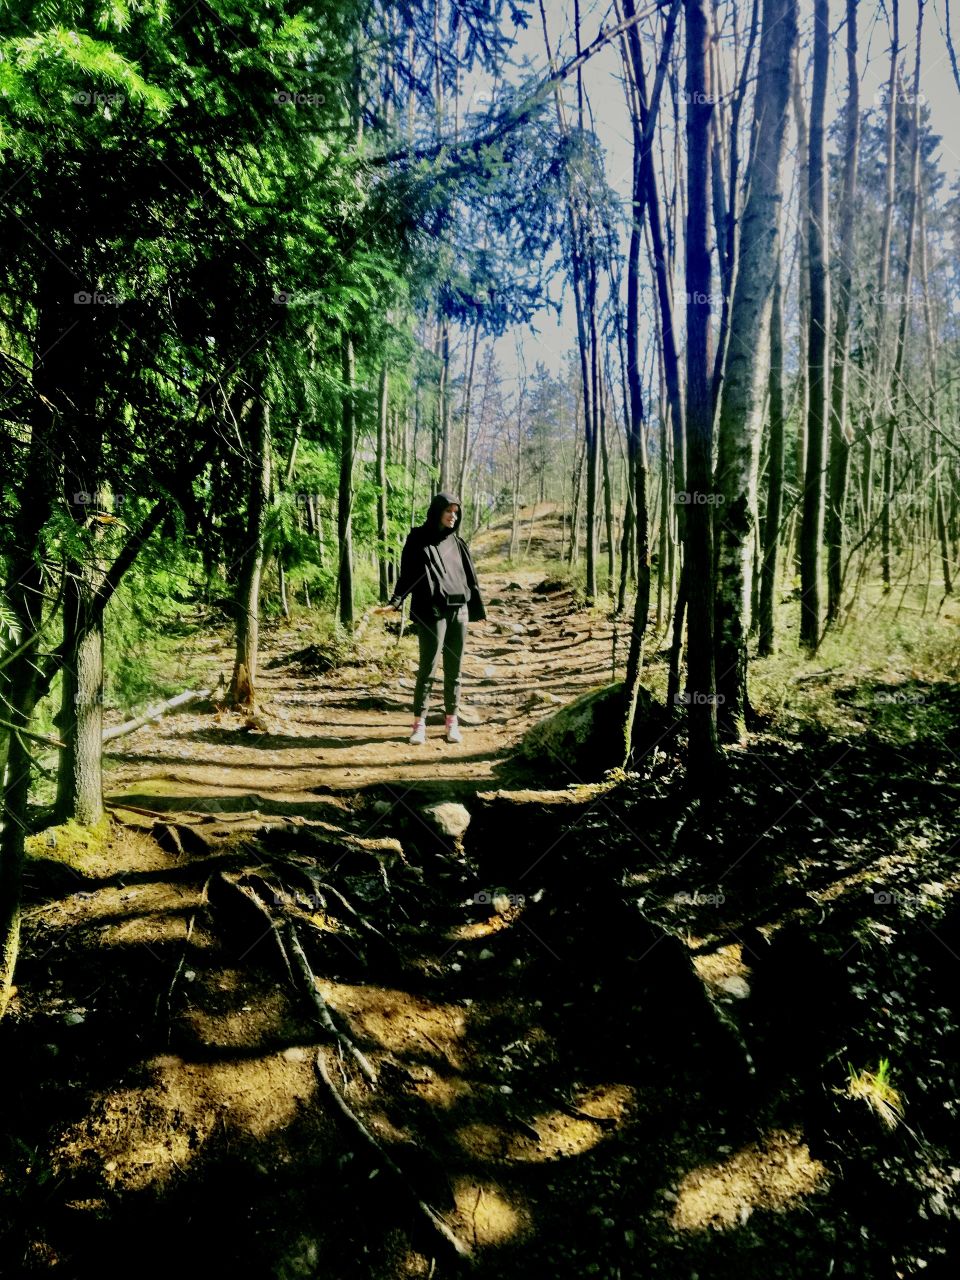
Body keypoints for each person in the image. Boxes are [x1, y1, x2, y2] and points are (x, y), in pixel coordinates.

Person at [377, 492, 486, 744]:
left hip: (459, 610)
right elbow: (408, 575)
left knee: (454, 670)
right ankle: (419, 725)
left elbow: (470, 579)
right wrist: (395, 601)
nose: (453, 516)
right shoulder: (418, 539)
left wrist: (478, 610)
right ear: (437, 511)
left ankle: (452, 723)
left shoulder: (458, 544)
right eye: (449, 511)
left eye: (456, 512)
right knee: (427, 669)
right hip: (431, 611)